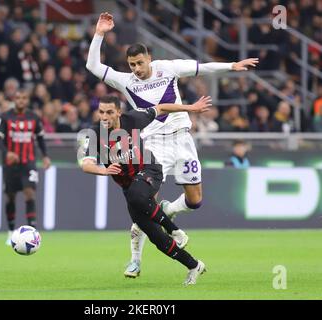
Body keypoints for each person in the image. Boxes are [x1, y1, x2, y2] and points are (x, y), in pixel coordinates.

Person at [86, 12, 259, 277]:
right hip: (153, 143)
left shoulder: (169, 68)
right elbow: (93, 67)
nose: (135, 69)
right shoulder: (126, 81)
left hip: (182, 138)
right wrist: (99, 34)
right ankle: (135, 260)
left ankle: (169, 210)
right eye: (131, 64)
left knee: (195, 200)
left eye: (139, 63)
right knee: (143, 201)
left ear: (149, 59)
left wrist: (232, 66)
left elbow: (201, 66)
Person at [80, 95, 212, 285]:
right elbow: (86, 165)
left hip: (150, 170)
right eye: (101, 112)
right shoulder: (94, 134)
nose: (104, 117)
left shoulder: (133, 119)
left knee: (136, 194)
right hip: (130, 188)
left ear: (118, 111)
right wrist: (103, 170)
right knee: (156, 237)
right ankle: (194, 265)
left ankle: (175, 231)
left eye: (109, 112)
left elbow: (161, 108)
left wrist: (191, 107)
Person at [0, 89, 51, 245]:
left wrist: (45, 156)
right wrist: (7, 153)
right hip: (10, 165)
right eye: (18, 98)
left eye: (24, 98)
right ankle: (11, 231)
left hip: (28, 163)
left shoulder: (34, 118)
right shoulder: (5, 117)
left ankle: (33, 232)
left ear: (27, 100)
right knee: (10, 196)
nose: (21, 101)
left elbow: (40, 139)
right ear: (14, 100)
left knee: (30, 193)